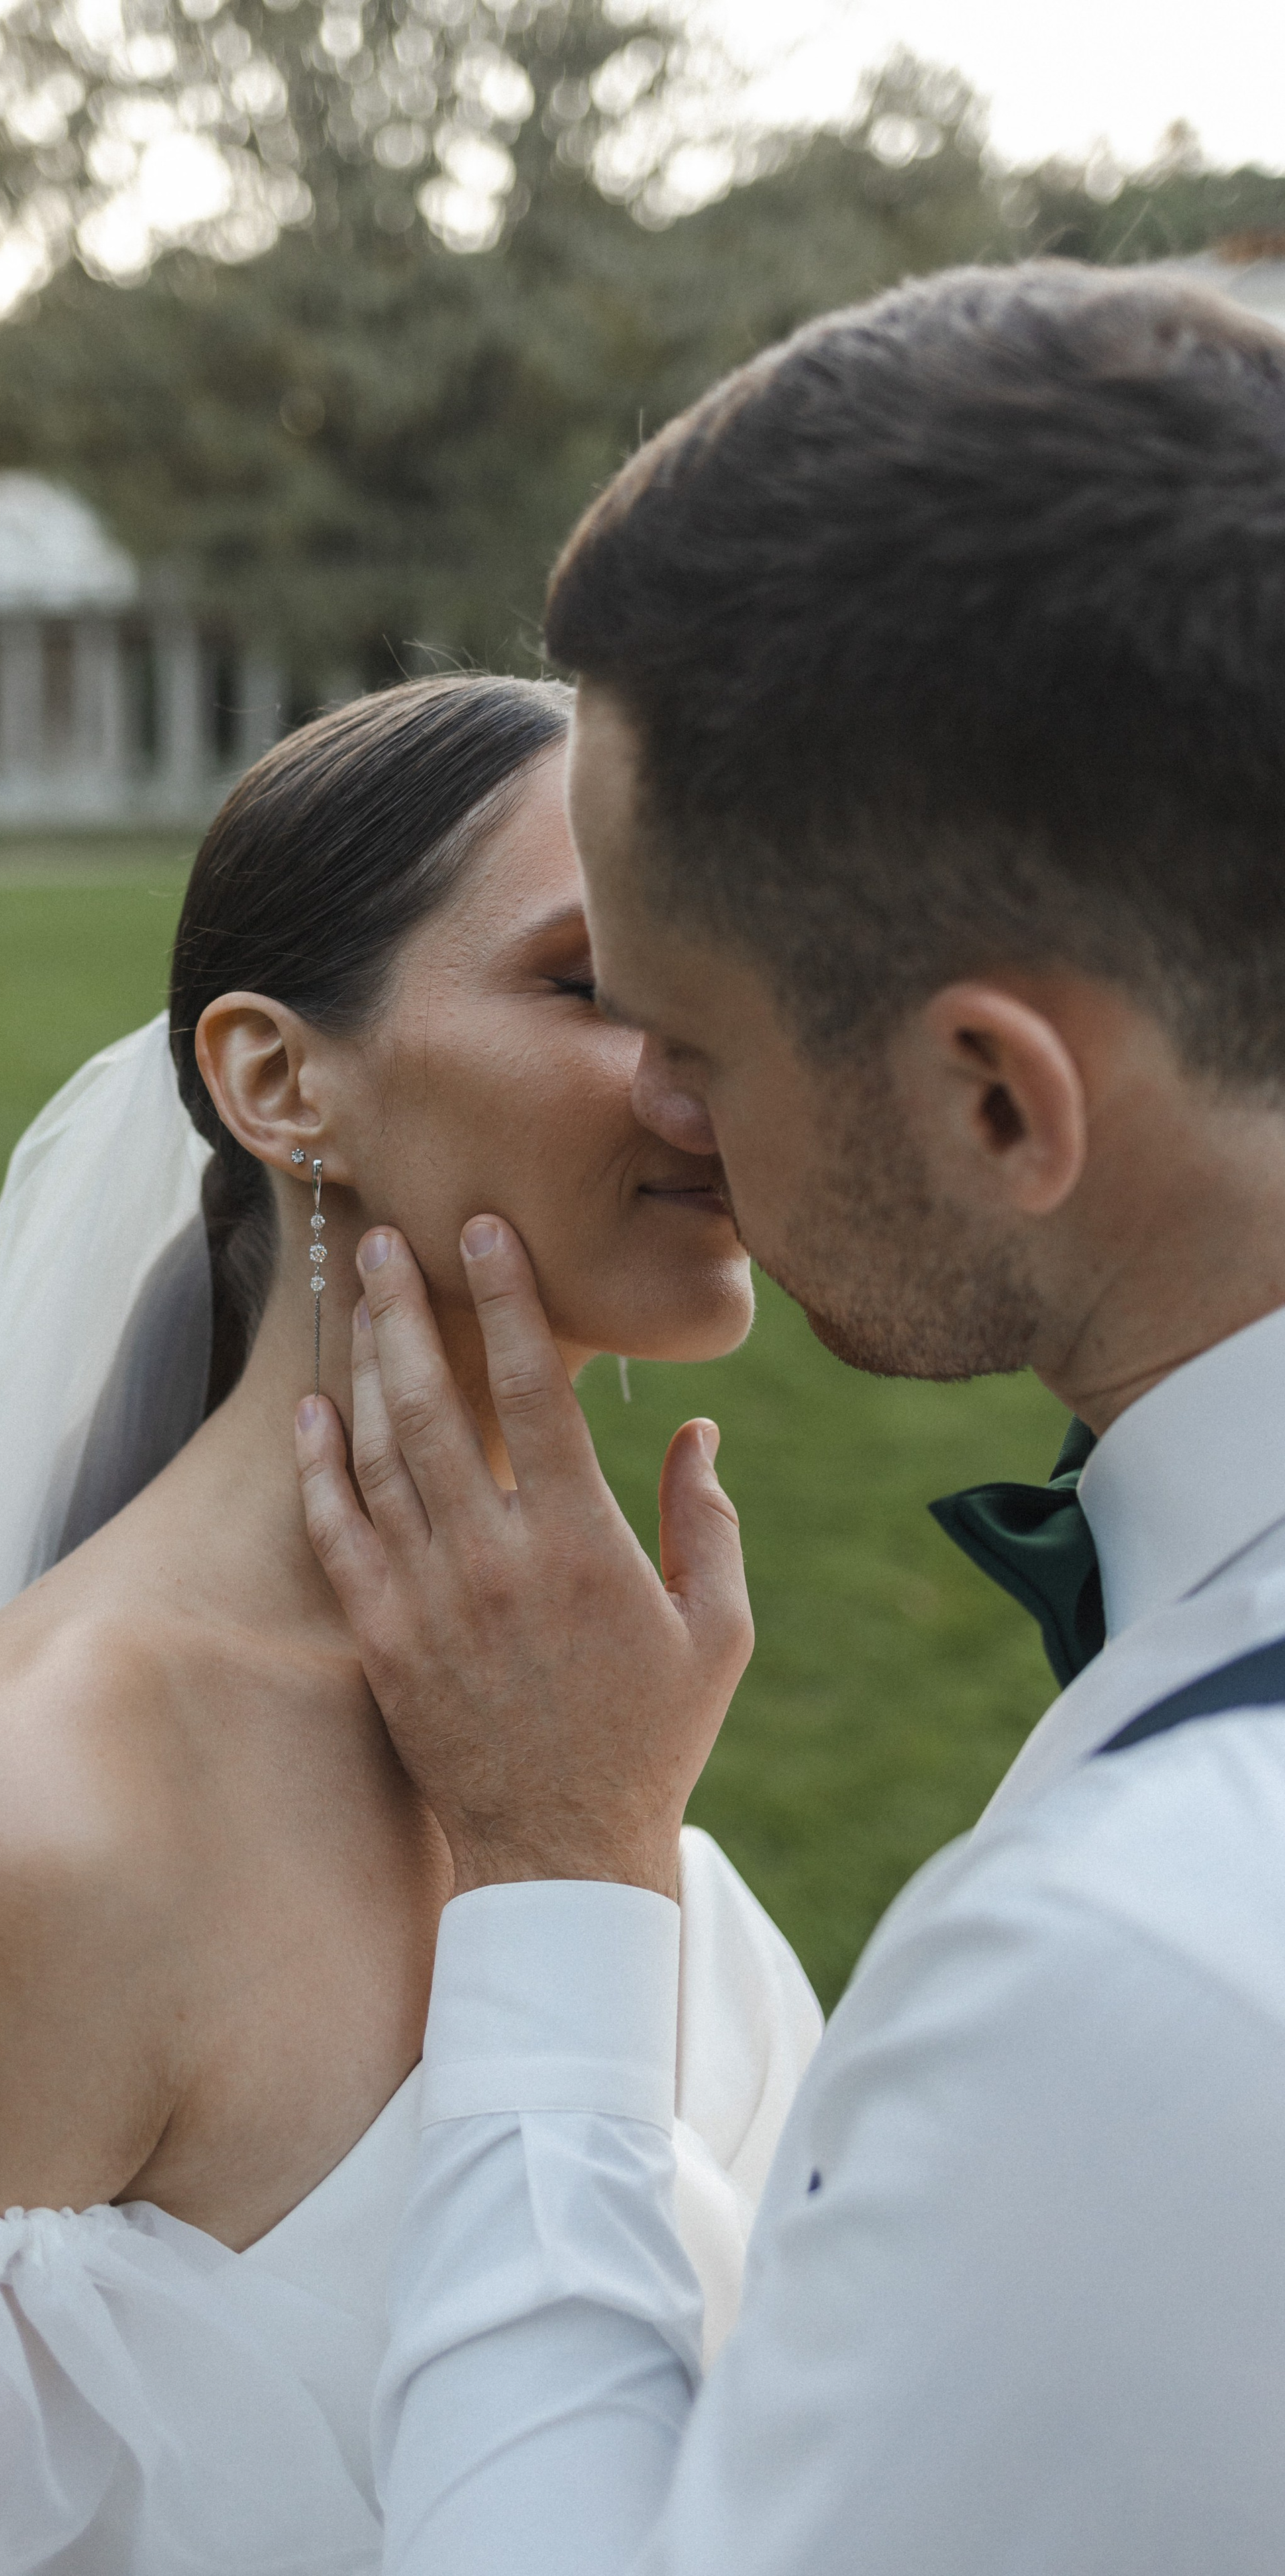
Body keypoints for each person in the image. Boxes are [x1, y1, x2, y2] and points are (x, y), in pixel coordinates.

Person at [0, 674, 821, 2572]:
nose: (719, 1062)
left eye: (731, 977)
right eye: (596, 984)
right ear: (275, 1081)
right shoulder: (46, 1813)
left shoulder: (571, 1684)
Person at [295, 264, 1285, 2573]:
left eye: (691, 1040)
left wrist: (555, 1874)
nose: (654, 1112)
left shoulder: (1141, 1976)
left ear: (992, 1097)